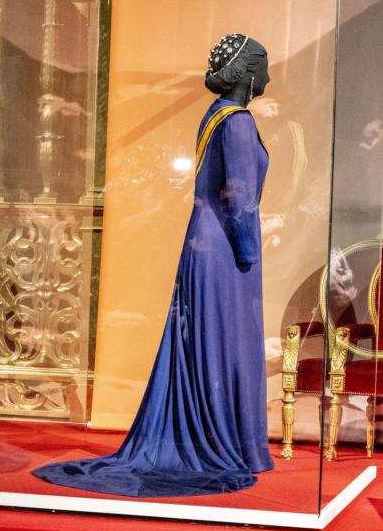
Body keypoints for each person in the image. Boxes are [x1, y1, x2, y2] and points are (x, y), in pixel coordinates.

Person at [33, 33, 275, 497]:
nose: (268, 76)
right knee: (224, 342)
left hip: (203, 239)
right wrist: (249, 254)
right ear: (248, 72)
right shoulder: (239, 122)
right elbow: (241, 197)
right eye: (264, 66)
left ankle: (215, 438)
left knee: (206, 343)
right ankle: (228, 444)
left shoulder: (215, 116)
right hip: (225, 247)